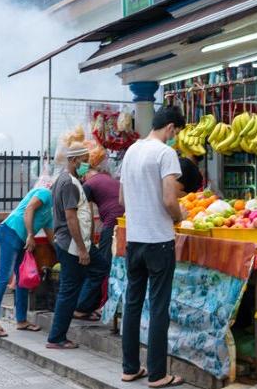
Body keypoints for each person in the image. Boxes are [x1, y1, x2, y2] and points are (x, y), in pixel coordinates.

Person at [118, 106, 187, 387]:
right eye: (176, 132)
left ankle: (130, 368)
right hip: (159, 241)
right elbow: (171, 200)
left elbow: (122, 199)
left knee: (132, 305)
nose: (175, 138)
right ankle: (158, 375)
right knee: (159, 307)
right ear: (170, 128)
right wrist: (181, 217)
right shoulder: (166, 153)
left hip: (134, 241)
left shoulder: (131, 151)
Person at [0, 177, 54, 337]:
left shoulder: (49, 213)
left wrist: (65, 253)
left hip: (22, 239)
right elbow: (29, 209)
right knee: (4, 276)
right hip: (10, 232)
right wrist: (31, 235)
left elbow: (52, 237)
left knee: (22, 278)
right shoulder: (44, 193)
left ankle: (21, 320)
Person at [47, 143, 93, 349]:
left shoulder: (66, 181)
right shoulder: (68, 183)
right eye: (84, 160)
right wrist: (82, 249)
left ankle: (84, 307)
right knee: (68, 290)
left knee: (98, 268)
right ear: (74, 160)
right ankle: (56, 337)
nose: (87, 164)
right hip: (71, 245)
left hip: (71, 243)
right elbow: (71, 217)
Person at [72, 167, 124, 321]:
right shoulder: (109, 179)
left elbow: (86, 215)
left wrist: (87, 240)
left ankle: (83, 308)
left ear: (86, 175)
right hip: (126, 222)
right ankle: (98, 305)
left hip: (112, 222)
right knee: (116, 265)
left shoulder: (88, 184)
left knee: (101, 265)